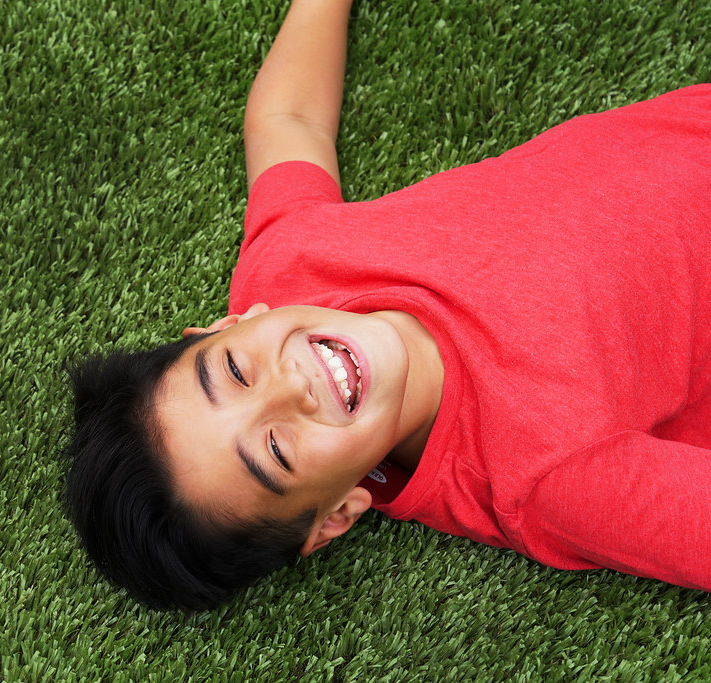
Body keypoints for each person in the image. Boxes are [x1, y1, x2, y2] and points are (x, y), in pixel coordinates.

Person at [63, 0, 711, 611]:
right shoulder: (547, 479)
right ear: (337, 515)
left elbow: (288, 121)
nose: (292, 384)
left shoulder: (291, 265)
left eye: (234, 370)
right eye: (278, 451)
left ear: (234, 322)